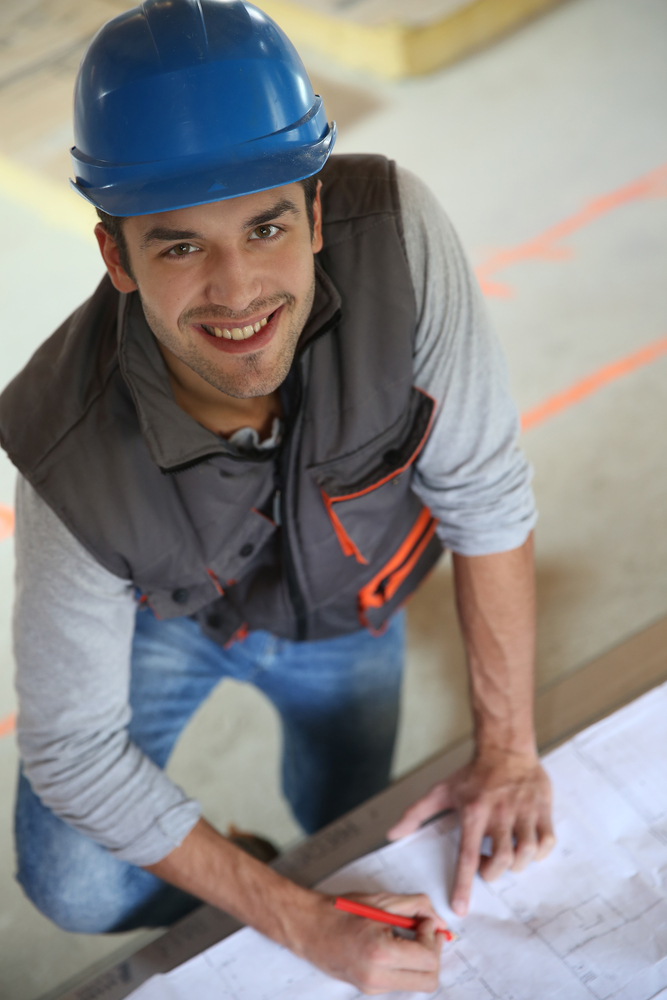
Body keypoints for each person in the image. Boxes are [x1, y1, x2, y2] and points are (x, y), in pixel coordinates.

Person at [0, 0, 554, 993]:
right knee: (74, 881)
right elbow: (74, 752)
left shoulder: (397, 241)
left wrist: (509, 753)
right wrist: (301, 924)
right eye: (179, 246)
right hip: (159, 620)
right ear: (116, 258)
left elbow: (484, 493)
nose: (238, 288)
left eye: (265, 225)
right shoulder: (65, 448)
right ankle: (248, 866)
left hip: (346, 609)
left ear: (314, 208)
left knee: (348, 816)